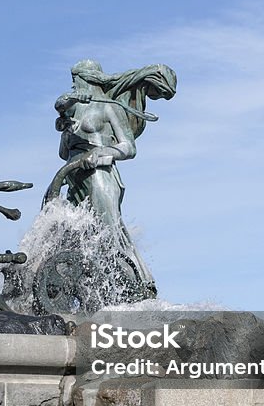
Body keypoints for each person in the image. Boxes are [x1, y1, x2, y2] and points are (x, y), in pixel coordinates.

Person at [53, 59, 177, 292]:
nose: (73, 84)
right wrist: (66, 125)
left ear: (89, 79)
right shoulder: (73, 111)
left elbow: (129, 147)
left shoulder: (109, 107)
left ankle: (140, 284)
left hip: (100, 176)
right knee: (70, 235)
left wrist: (103, 152)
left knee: (110, 232)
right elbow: (62, 152)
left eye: (76, 79)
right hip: (73, 178)